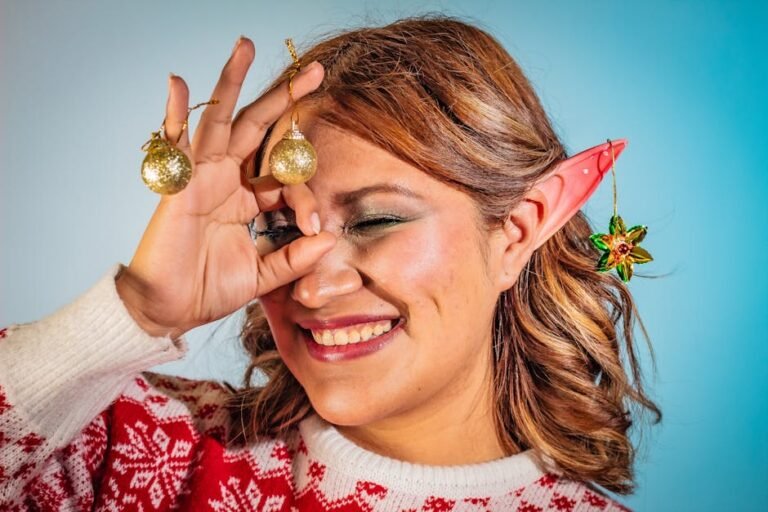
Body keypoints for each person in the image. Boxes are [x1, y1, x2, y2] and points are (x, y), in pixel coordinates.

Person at [0, 16, 660, 511]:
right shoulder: (132, 450)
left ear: (514, 233)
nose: (312, 283)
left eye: (375, 220)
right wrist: (139, 306)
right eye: (278, 228)